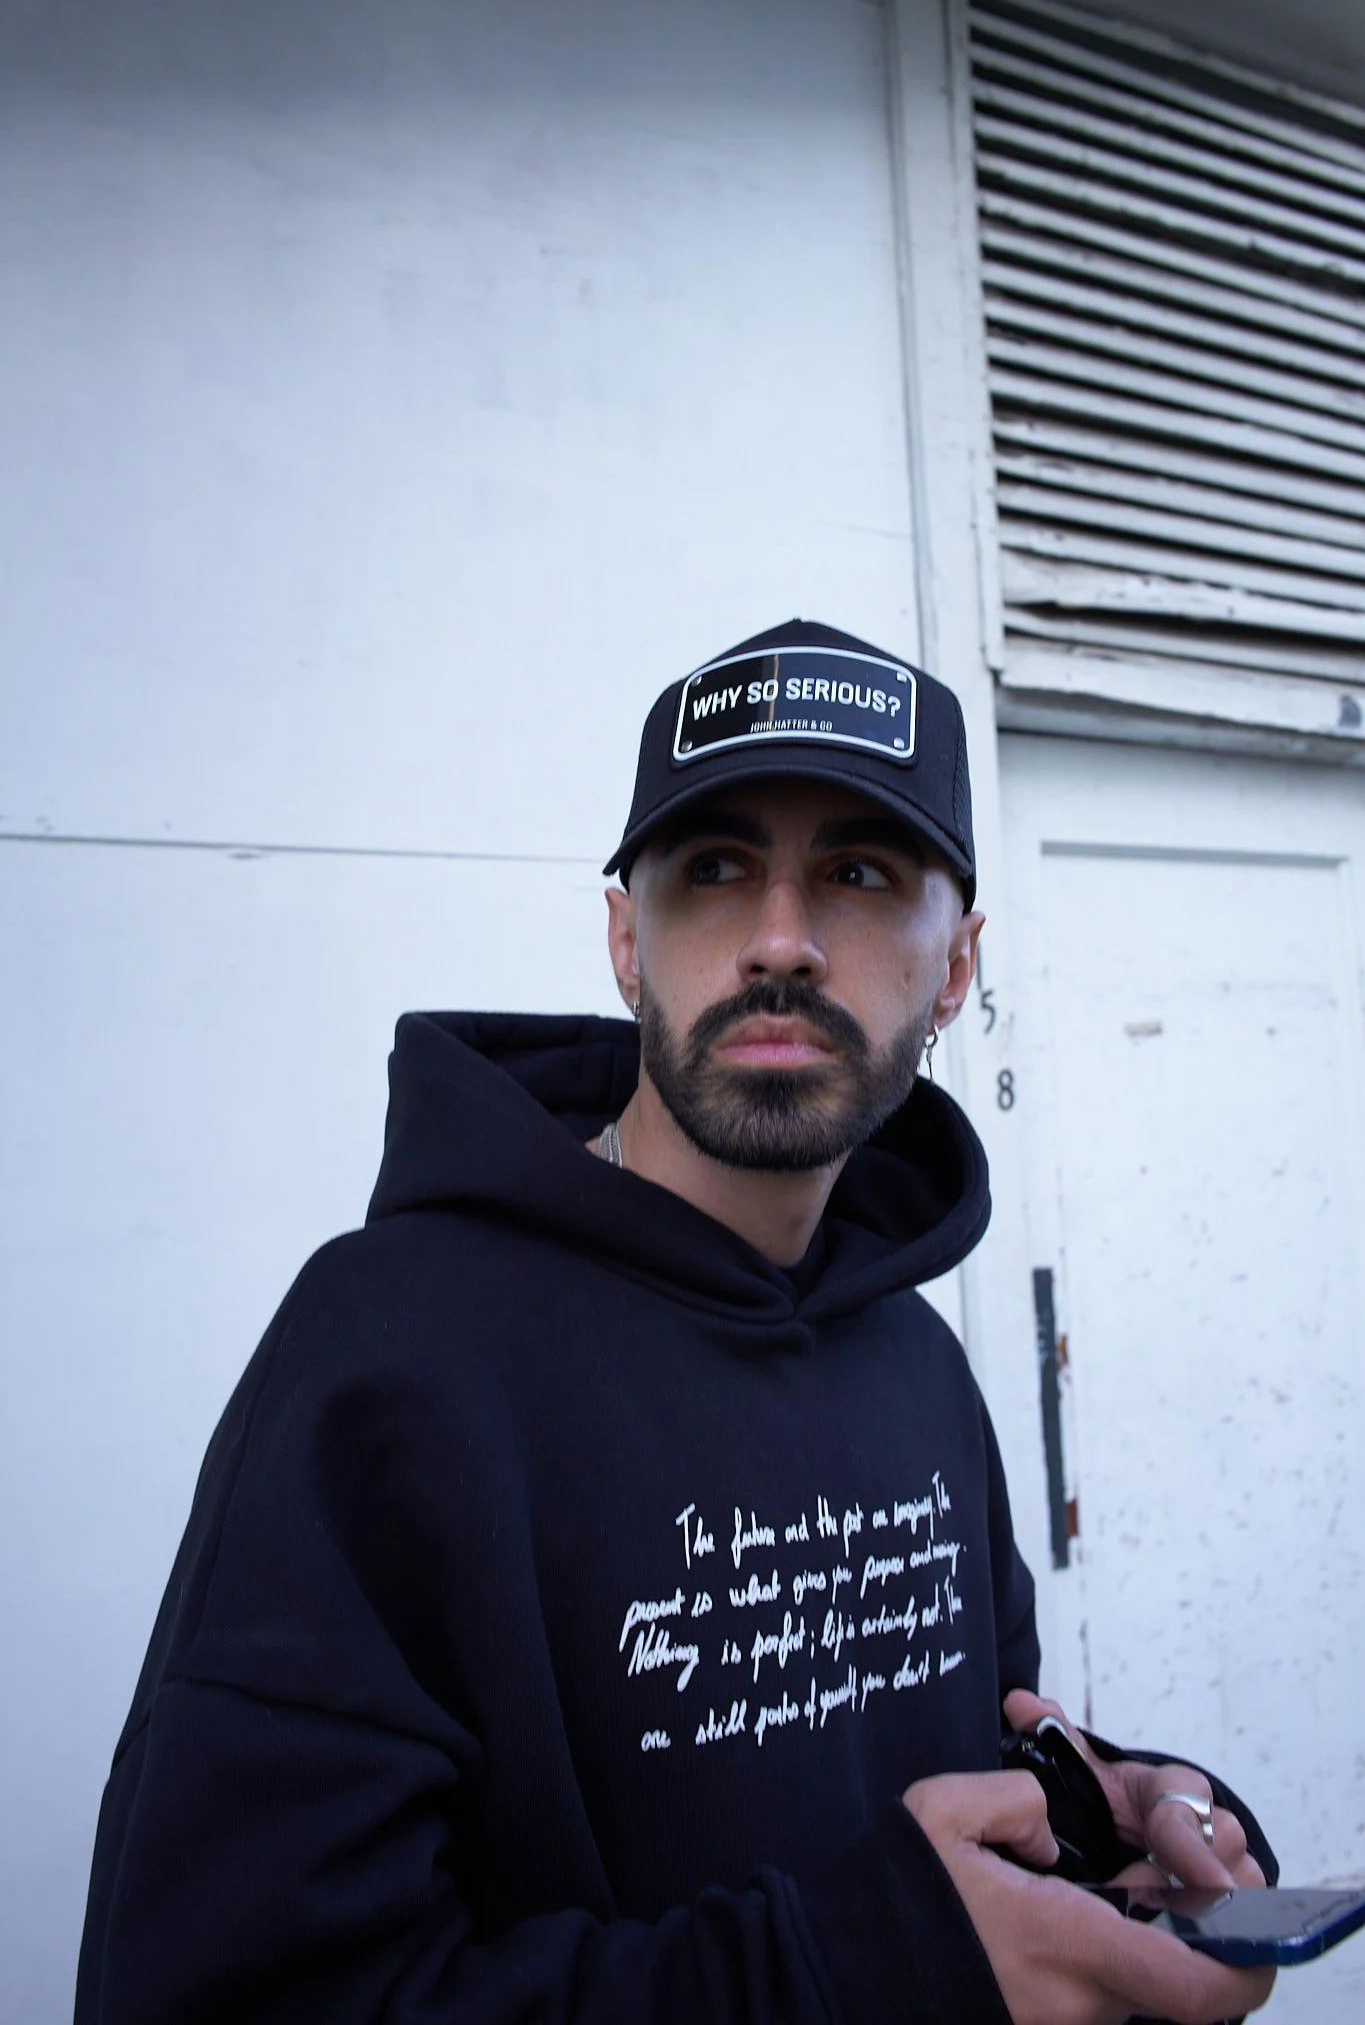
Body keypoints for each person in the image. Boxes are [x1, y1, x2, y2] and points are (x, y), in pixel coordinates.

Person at [76, 620, 1276, 2024]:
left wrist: (1105, 1812)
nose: (781, 942)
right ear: (624, 943)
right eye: (714, 869)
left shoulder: (919, 1364)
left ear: (956, 966)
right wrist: (860, 1971)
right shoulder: (387, 1357)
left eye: (860, 873)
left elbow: (974, 1776)